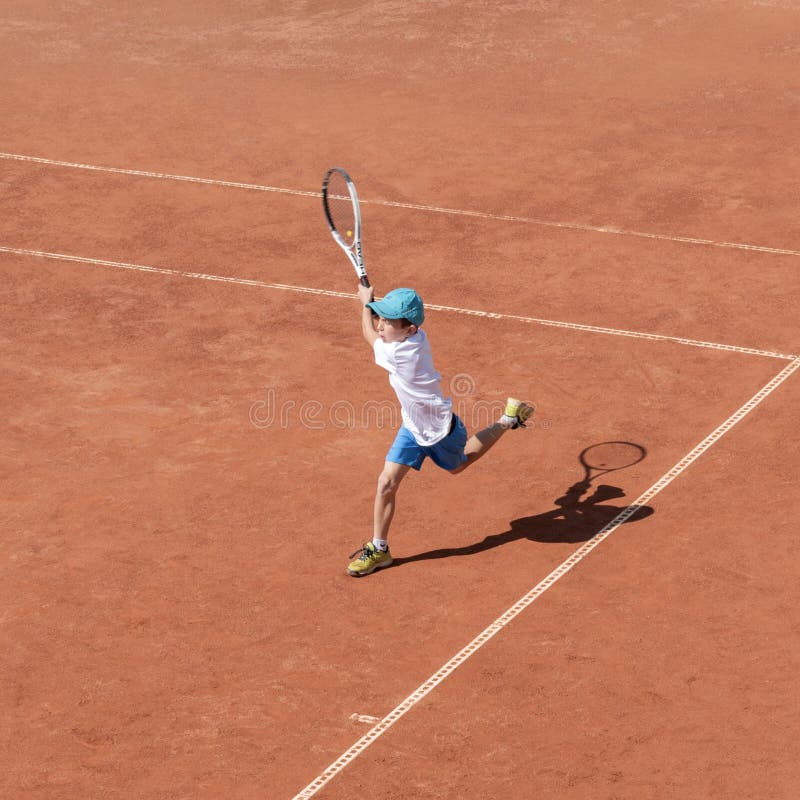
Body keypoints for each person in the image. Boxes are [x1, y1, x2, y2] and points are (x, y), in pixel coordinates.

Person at [347, 284, 534, 577]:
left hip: (441, 433)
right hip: (412, 427)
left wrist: (364, 305)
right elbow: (380, 333)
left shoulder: (401, 355)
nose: (380, 325)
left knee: (458, 466)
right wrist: (374, 307)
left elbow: (368, 335)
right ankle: (379, 549)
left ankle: (508, 420)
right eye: (380, 318)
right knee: (386, 483)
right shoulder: (414, 336)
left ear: (408, 330)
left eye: (387, 321)